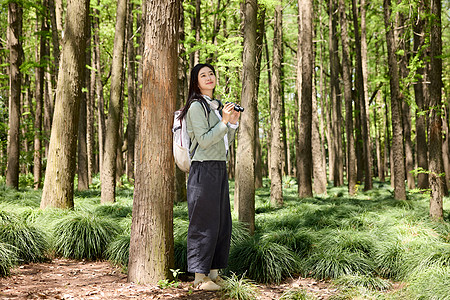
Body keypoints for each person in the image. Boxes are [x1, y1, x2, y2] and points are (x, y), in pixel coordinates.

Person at [177, 63, 240, 291]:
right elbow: (203, 141)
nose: (208, 77)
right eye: (203, 75)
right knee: (204, 223)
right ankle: (199, 278)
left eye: (211, 73)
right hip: (202, 170)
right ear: (196, 82)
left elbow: (225, 142)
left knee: (221, 222)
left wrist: (231, 122)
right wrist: (223, 122)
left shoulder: (216, 106)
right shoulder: (196, 106)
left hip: (219, 166)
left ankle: (214, 274)